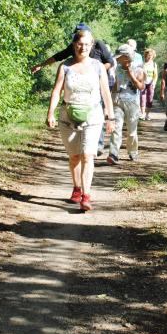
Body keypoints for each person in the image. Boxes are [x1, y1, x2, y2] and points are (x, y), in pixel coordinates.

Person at [47, 28, 115, 212]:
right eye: (79, 44)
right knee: (74, 157)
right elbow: (56, 91)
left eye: (86, 44)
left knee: (87, 154)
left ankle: (86, 196)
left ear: (91, 45)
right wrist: (50, 113)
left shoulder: (98, 66)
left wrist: (111, 116)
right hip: (68, 116)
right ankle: (76, 187)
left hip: (93, 115)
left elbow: (106, 93)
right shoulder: (65, 66)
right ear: (74, 45)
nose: (82, 47)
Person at [107, 44, 145, 164]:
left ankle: (133, 151)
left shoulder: (138, 69)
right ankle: (113, 154)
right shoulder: (117, 68)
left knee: (132, 131)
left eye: (119, 57)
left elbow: (141, 86)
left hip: (132, 103)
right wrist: (109, 100)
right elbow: (116, 84)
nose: (117, 59)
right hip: (117, 101)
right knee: (116, 128)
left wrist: (130, 73)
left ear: (126, 57)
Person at [31, 23, 114, 74]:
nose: (82, 47)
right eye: (77, 37)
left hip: (98, 82)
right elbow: (59, 56)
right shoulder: (73, 46)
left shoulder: (98, 44)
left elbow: (110, 62)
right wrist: (41, 65)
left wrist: (95, 72)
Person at [140, 48, 158, 120]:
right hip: (143, 82)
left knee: (150, 98)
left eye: (151, 55)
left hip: (151, 83)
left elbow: (155, 74)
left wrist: (154, 82)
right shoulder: (142, 63)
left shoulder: (154, 64)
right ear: (145, 55)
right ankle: (142, 114)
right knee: (142, 97)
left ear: (153, 56)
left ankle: (147, 114)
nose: (150, 56)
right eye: (148, 55)